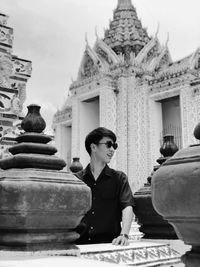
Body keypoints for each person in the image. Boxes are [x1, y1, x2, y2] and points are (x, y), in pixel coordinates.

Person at [75, 127, 135, 246]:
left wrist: (124, 235)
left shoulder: (119, 178)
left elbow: (127, 206)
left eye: (114, 146)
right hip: (80, 244)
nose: (112, 149)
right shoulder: (76, 180)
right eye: (108, 145)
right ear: (93, 147)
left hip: (110, 244)